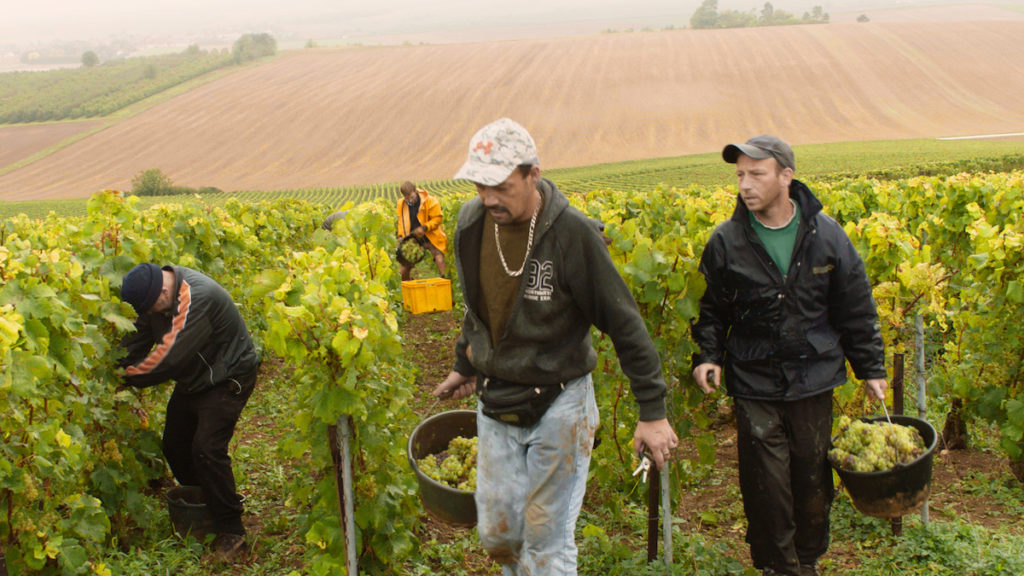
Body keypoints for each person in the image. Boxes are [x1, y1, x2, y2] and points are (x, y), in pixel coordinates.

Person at [432, 117, 679, 575]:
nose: (488, 199)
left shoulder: (572, 234)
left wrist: (653, 411)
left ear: (533, 175)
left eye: (501, 187)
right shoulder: (471, 222)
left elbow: (624, 323)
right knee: (500, 536)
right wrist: (464, 364)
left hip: (560, 402)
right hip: (496, 399)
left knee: (546, 541)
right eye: (479, 186)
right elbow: (478, 307)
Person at [690, 135, 888, 576]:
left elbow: (854, 306)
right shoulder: (726, 241)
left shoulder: (826, 235)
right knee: (766, 484)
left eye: (756, 173)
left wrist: (871, 367)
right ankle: (777, 566)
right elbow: (710, 309)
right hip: (754, 380)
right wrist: (708, 355)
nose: (744, 184)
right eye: (740, 174)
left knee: (812, 478)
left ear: (786, 176)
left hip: (814, 378)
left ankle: (809, 559)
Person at [118, 263, 260, 563]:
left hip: (227, 376)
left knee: (207, 449)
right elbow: (140, 337)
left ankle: (232, 531)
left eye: (152, 309)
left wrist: (127, 376)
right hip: (197, 376)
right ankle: (206, 503)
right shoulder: (155, 297)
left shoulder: (196, 297)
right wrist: (116, 362)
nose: (150, 315)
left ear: (165, 291)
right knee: (174, 444)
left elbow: (168, 359)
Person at [396, 181, 448, 280]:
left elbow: (437, 219)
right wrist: (401, 237)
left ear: (415, 191)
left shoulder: (430, 201)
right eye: (407, 198)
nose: (410, 200)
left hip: (431, 236)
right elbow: (401, 223)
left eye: (412, 197)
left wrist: (424, 228)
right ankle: (409, 289)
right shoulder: (401, 204)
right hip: (414, 239)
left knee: (439, 259)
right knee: (403, 269)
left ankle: (446, 285)